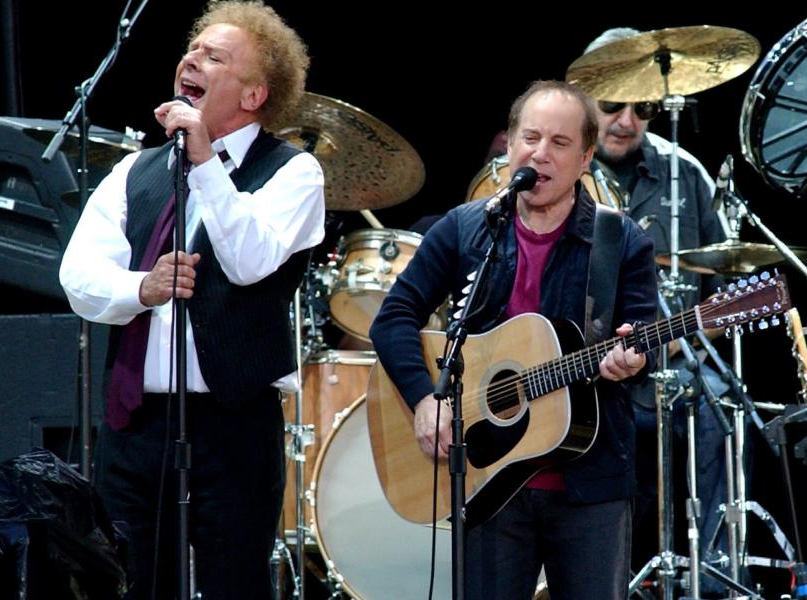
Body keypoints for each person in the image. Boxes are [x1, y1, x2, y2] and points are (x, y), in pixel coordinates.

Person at [59, 2, 325, 598]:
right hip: (138, 426)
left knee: (235, 585)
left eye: (215, 56)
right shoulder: (136, 171)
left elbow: (250, 261)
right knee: (131, 583)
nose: (192, 59)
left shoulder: (294, 173)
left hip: (233, 423)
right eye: (194, 47)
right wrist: (141, 287)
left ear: (254, 95)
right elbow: (78, 276)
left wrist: (205, 160)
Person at [370, 80, 658, 599]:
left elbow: (643, 338)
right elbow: (392, 319)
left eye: (560, 143)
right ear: (509, 145)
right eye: (530, 138)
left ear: (587, 158)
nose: (540, 154)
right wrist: (423, 400)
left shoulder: (622, 242)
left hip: (589, 487)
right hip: (487, 481)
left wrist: (635, 355)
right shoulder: (465, 229)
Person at [583, 28, 736, 589]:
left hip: (675, 359)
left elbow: (726, 278)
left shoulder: (685, 172)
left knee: (722, 412)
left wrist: (681, 337)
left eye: (642, 107)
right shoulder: (562, 173)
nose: (625, 120)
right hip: (585, 367)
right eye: (611, 105)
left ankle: (713, 577)